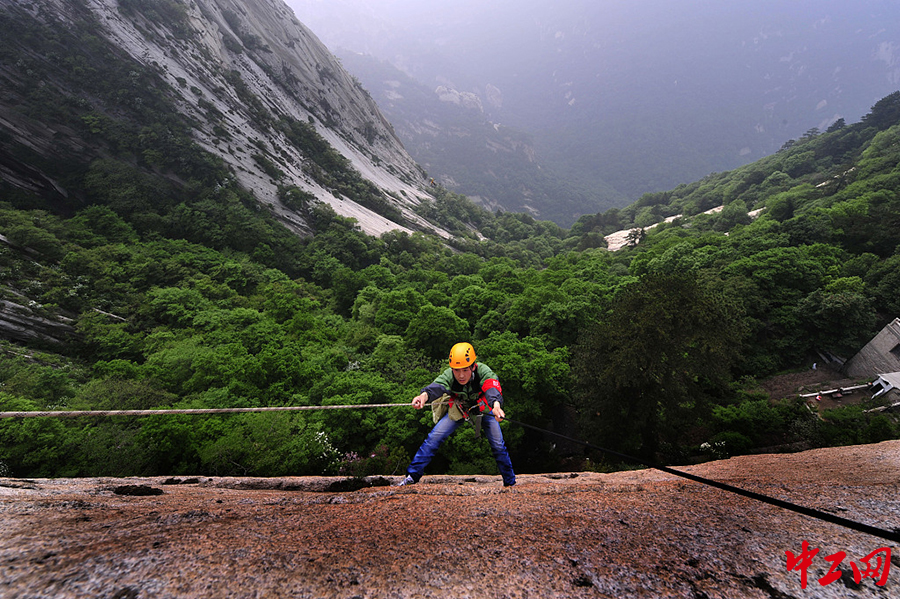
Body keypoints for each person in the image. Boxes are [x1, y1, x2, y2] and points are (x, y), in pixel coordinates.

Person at [397, 342, 516, 487]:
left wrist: (496, 406)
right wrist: (423, 397)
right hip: (460, 409)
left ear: (473, 366)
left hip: (485, 409)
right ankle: (412, 476)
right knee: (434, 437)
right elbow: (437, 386)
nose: (461, 375)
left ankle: (509, 482)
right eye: (456, 370)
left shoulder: (483, 371)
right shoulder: (449, 375)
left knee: (498, 445)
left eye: (465, 370)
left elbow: (491, 387)